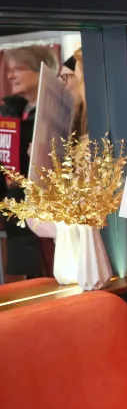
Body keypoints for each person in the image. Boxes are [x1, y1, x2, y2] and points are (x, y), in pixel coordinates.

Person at [0, 46, 59, 280]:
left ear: (41, 70)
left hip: (44, 216)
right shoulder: (11, 111)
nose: (10, 76)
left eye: (18, 69)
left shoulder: (56, 111)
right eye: (9, 70)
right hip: (14, 215)